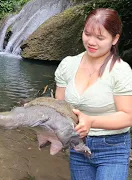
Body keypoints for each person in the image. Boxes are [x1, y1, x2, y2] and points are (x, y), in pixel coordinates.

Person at [55, 8, 132, 180]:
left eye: (100, 37)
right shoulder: (68, 65)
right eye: (87, 34)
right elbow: (59, 106)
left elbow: (128, 116)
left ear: (115, 39)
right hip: (77, 144)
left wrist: (92, 121)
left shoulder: (121, 71)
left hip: (112, 147)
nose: (91, 42)